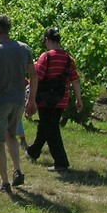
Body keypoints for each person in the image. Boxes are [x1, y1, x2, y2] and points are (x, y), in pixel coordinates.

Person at [0, 15, 38, 192]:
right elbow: (33, 75)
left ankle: (4, 182)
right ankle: (17, 169)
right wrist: (31, 99)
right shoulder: (23, 48)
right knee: (11, 134)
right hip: (18, 100)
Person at [26, 27, 82, 172]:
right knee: (46, 126)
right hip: (61, 100)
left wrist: (31, 97)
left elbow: (36, 78)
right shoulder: (69, 59)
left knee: (52, 131)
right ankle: (33, 152)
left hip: (45, 100)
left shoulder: (46, 57)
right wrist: (78, 99)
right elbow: (75, 81)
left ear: (47, 40)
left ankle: (61, 163)